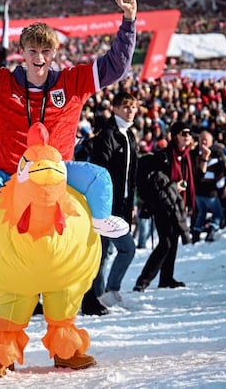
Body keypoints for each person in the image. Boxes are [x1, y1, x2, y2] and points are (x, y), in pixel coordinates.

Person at [0, 0, 136, 256]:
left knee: (100, 177)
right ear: (22, 52)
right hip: (10, 177)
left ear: (54, 52)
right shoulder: (0, 84)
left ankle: (101, 220)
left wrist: (128, 22)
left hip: (60, 173)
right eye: (32, 51)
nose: (39, 58)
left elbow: (116, 66)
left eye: (46, 51)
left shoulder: (72, 82)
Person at [84, 92, 138, 314]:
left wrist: (131, 203)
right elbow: (100, 172)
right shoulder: (107, 135)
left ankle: (111, 289)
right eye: (126, 107)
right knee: (101, 253)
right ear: (115, 109)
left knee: (127, 249)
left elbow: (132, 174)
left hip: (123, 205)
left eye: (133, 107)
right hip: (105, 206)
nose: (130, 111)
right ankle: (96, 296)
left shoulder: (130, 135)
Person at [133, 121, 194, 292]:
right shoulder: (164, 156)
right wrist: (175, 187)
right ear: (175, 136)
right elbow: (156, 182)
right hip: (162, 205)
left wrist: (203, 158)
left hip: (177, 205)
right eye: (184, 133)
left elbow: (196, 176)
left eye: (189, 133)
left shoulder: (187, 156)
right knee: (166, 242)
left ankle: (167, 278)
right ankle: (143, 280)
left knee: (173, 241)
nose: (188, 136)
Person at [190, 131, 226, 243]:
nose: (203, 142)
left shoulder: (216, 152)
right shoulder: (196, 153)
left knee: (202, 213)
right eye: (202, 139)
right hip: (206, 193)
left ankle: (197, 232)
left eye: (206, 140)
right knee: (217, 214)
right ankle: (209, 231)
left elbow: (220, 173)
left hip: (204, 192)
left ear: (211, 141)